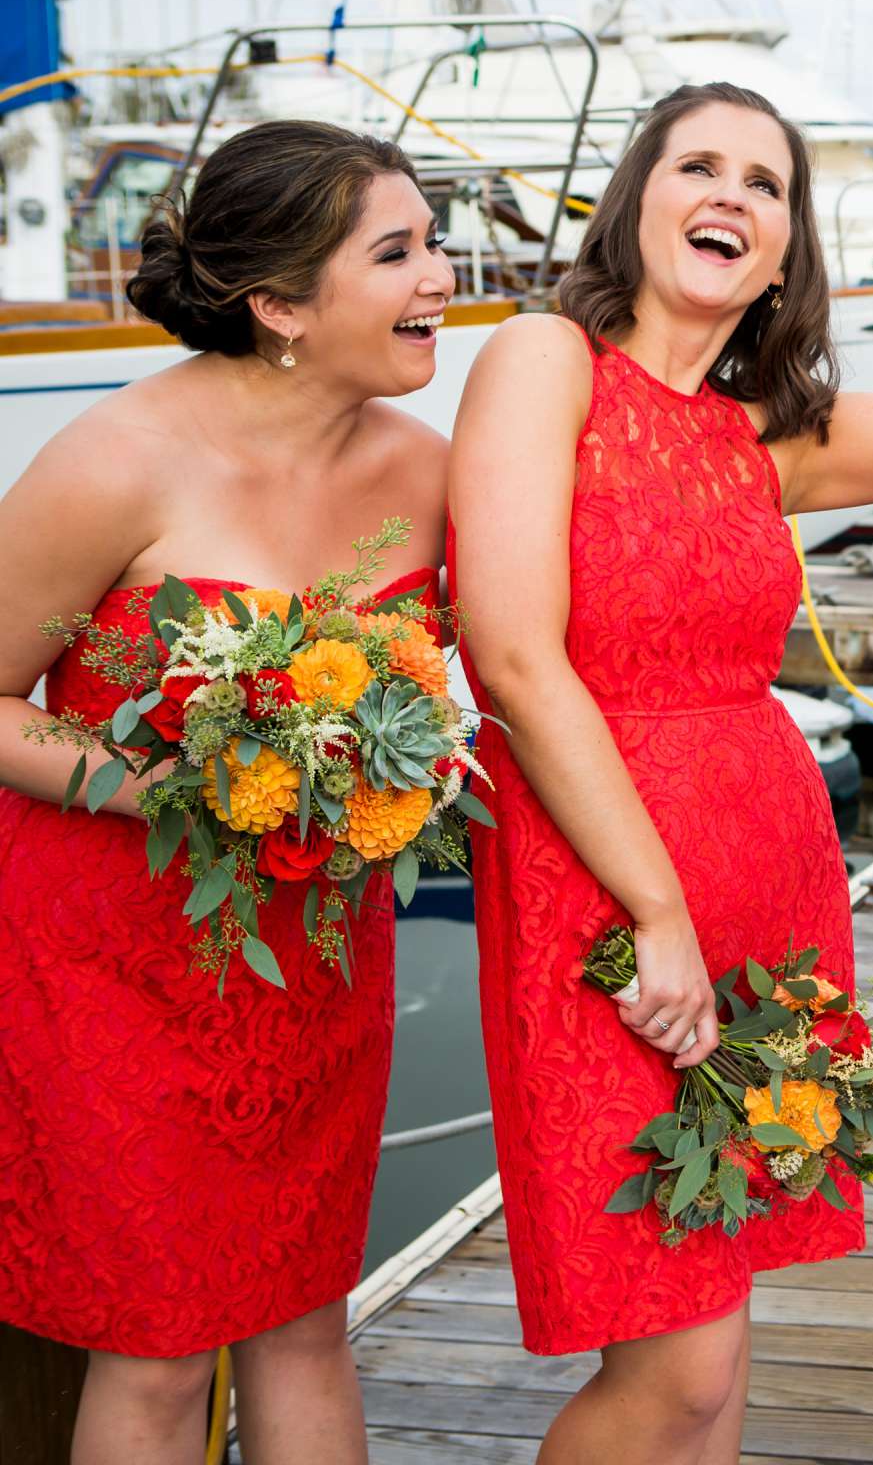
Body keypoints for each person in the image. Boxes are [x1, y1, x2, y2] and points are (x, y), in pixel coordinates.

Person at [446, 80, 873, 1465]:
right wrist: (655, 910)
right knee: (673, 1361)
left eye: (766, 183)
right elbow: (511, 654)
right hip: (602, 893)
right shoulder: (544, 362)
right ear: (636, 202)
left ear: (787, 252)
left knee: (717, 1354)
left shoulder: (764, 441)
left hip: (768, 886)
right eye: (698, 167)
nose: (730, 195)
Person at [0, 121, 452, 1465]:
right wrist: (171, 790)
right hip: (112, 960)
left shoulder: (424, 475)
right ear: (279, 306)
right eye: (399, 252)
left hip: (312, 954)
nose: (440, 275)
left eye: (432, 243)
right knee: (153, 1346)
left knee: (307, 1321)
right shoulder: (114, 460)